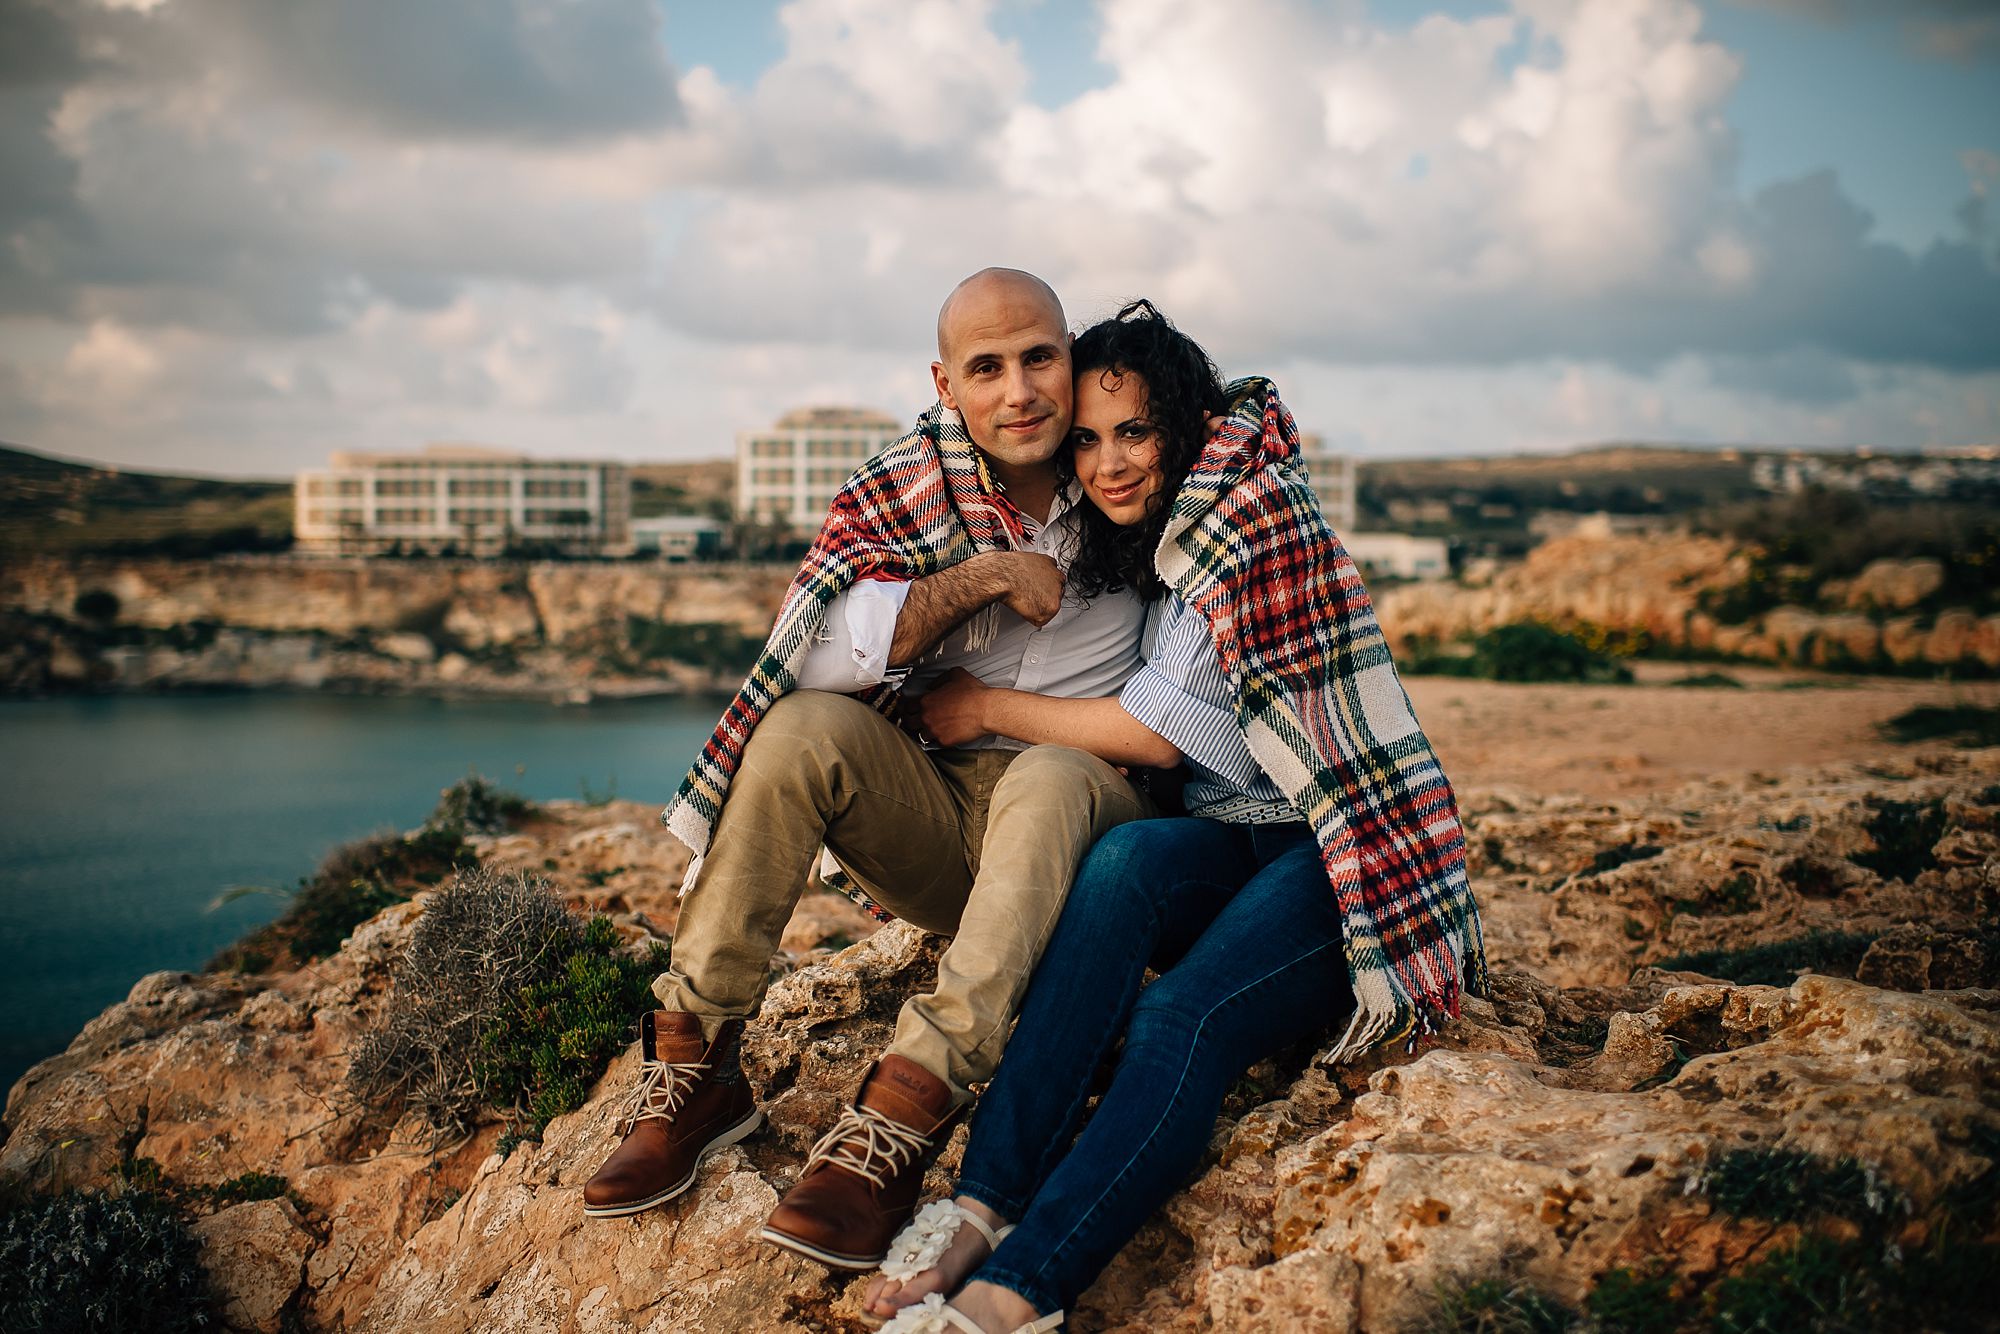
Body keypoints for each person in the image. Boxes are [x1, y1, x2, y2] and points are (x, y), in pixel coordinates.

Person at [865, 301, 1487, 1334]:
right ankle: (979, 1204)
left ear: (1187, 427)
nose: (1107, 463)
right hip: (1231, 840)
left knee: (1177, 1016)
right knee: (1118, 865)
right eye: (1089, 438)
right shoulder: (1147, 547)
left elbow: (1153, 735)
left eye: (1134, 431)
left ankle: (1017, 1286)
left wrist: (977, 707)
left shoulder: (1239, 522)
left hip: (1331, 859)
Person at [581, 269, 1159, 1273]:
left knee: (1049, 774)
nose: (1019, 390)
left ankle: (901, 1114)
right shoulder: (910, 479)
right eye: (987, 367)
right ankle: (697, 1064)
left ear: (1073, 358)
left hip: (1088, 825)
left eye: (1038, 358)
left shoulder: (1137, 467)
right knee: (801, 725)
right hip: (938, 821)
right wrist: (979, 574)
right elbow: (802, 653)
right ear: (945, 383)